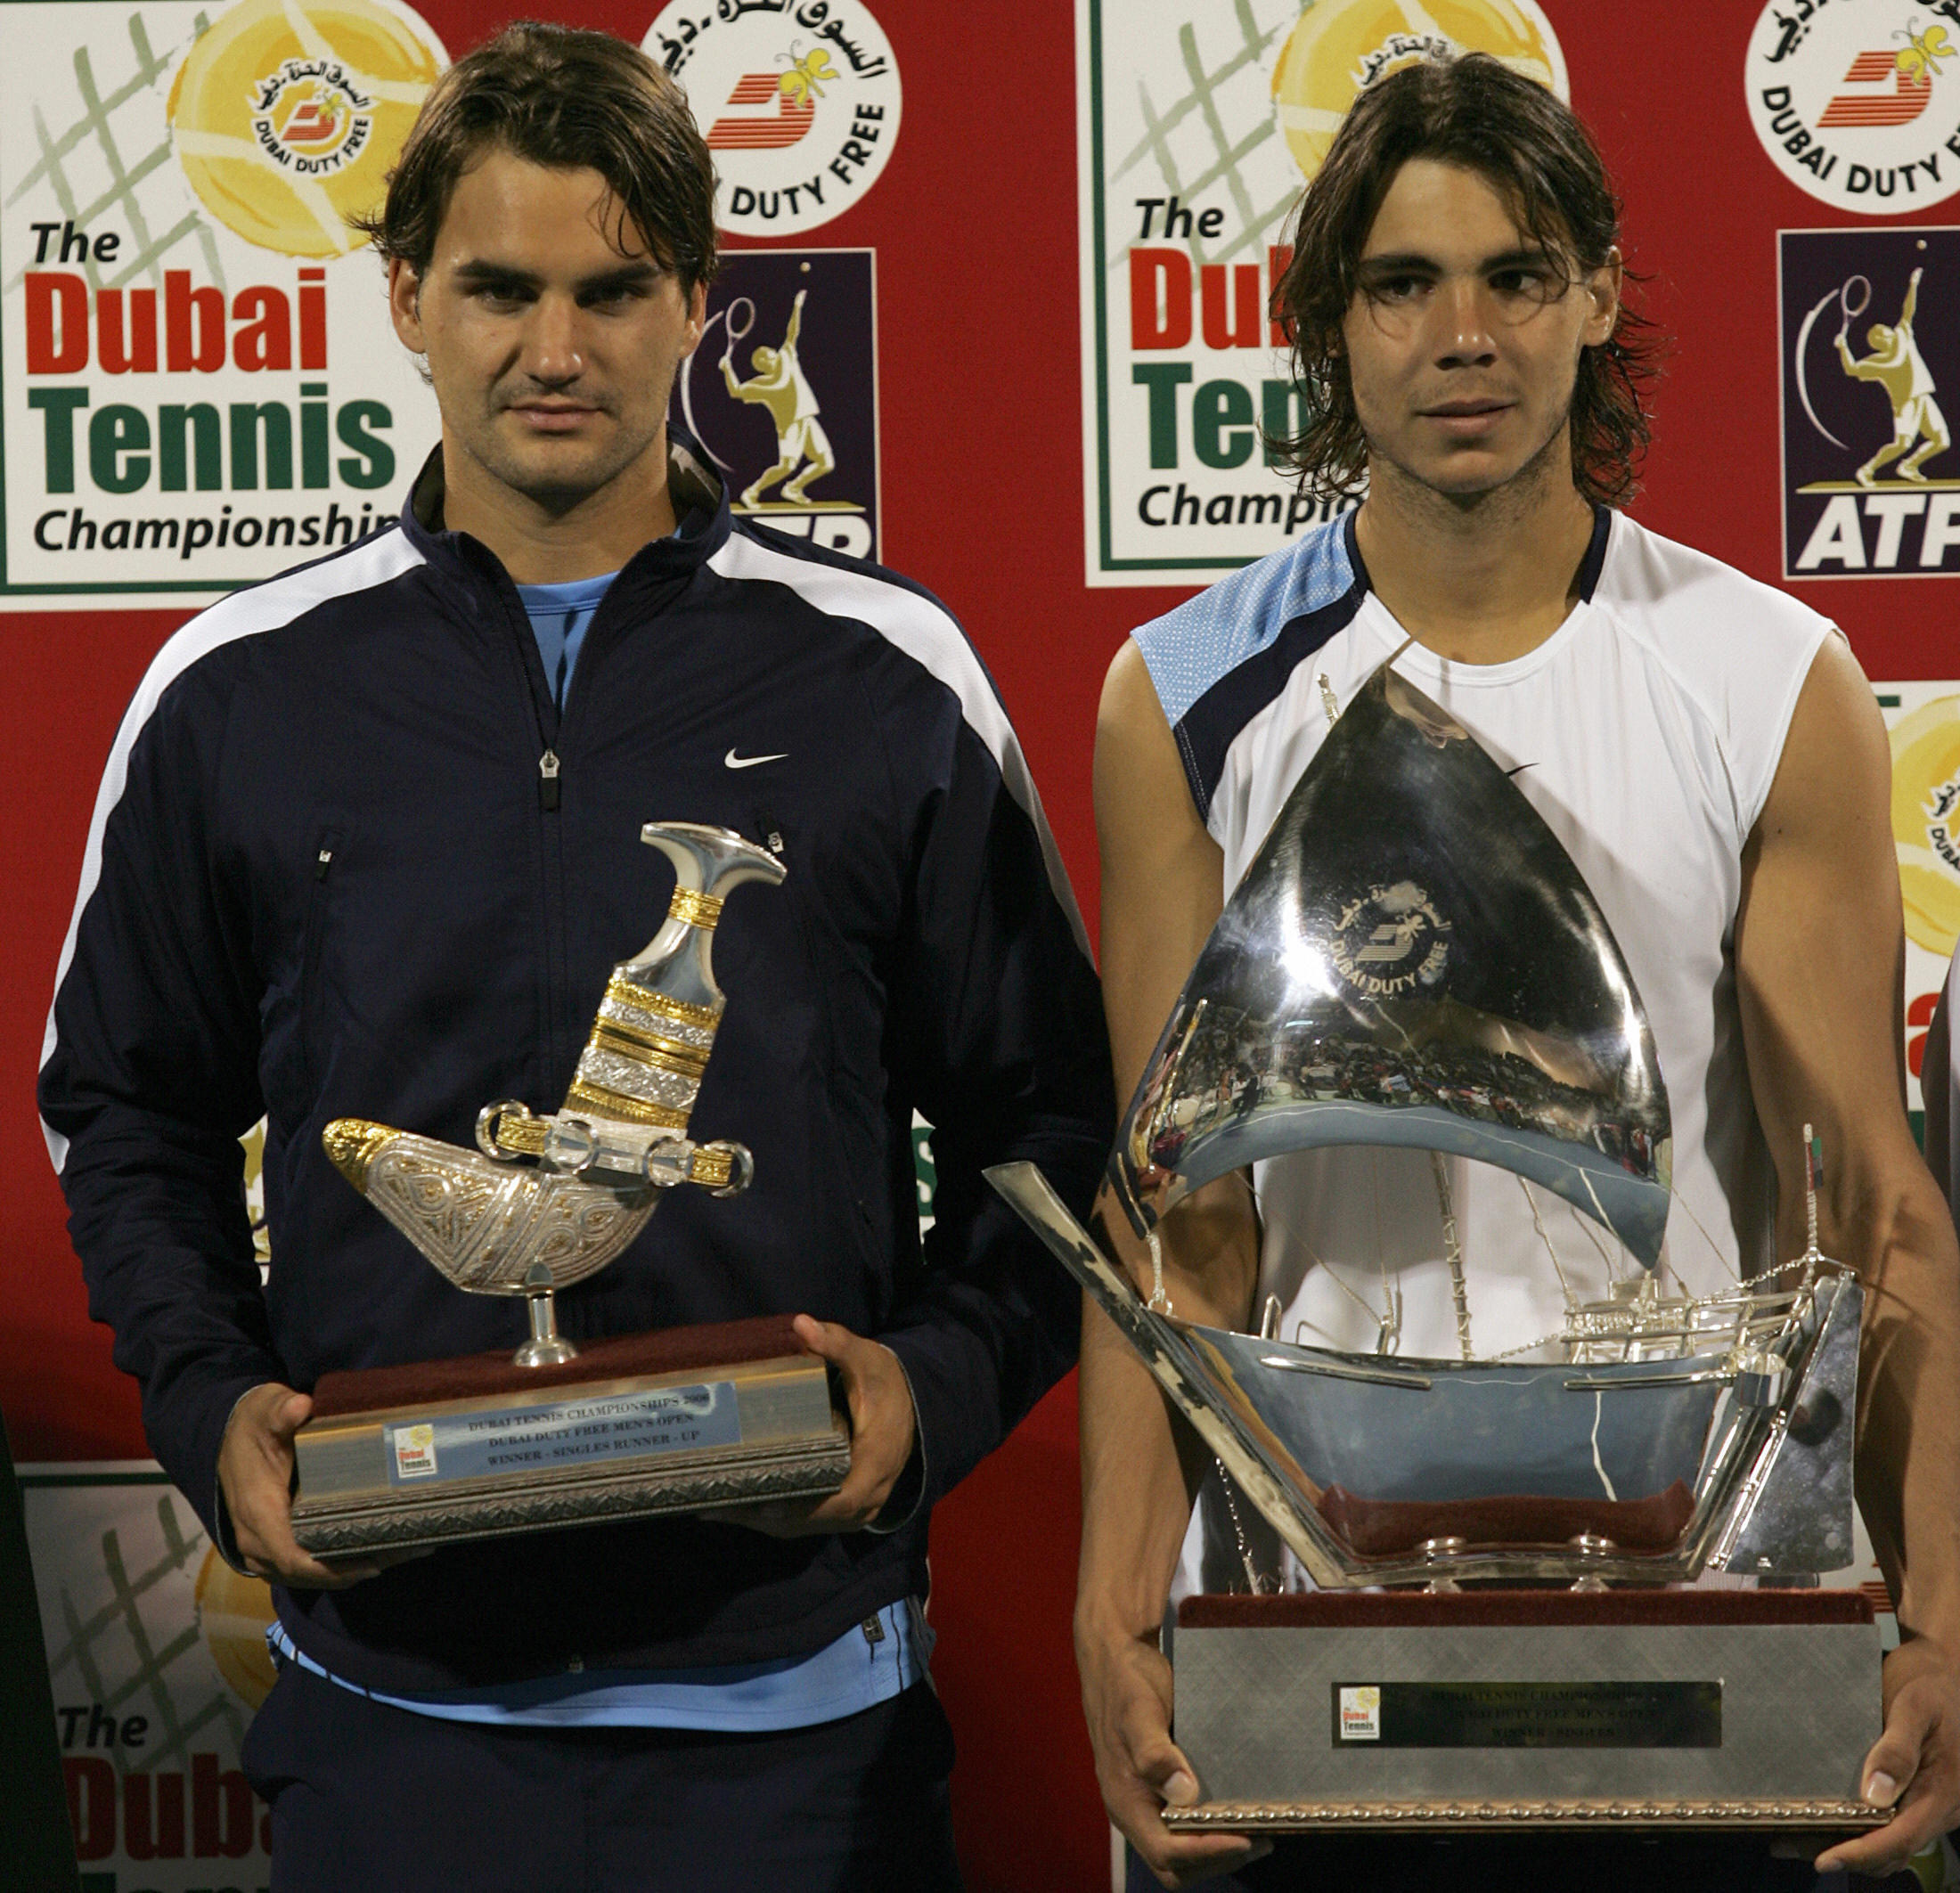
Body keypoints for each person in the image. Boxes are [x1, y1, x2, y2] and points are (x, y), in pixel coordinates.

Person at [37, 24, 1110, 1891]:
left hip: (799, 1724)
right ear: (403, 299)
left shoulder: (880, 680)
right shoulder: (239, 694)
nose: (555, 349)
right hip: (392, 1719)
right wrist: (210, 1406)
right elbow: (123, 1109)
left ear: (696, 298)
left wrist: (930, 1389)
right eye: (499, 289)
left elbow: (1050, 1128)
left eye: (613, 290)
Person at [1078, 53, 1960, 1892]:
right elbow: (1174, 1220)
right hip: (1313, 1640)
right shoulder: (1184, 695)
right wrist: (1111, 1608)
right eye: (1400, 285)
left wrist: (1935, 1615)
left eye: (1514, 273)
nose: (1459, 334)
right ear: (1327, 322)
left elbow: (1868, 1213)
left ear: (1596, 295)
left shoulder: (1758, 675)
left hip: (1696, 1626)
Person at [722, 287, 837, 508]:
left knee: (826, 463)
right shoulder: (762, 384)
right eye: (766, 355)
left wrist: (797, 307)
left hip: (807, 418)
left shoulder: (787, 357)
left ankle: (793, 488)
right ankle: (751, 491)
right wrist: (727, 369)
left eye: (770, 352)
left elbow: (792, 332)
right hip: (789, 426)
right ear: (762, 365)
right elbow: (736, 391)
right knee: (787, 466)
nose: (772, 354)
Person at [1836, 265, 1950, 488]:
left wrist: (1913, 284)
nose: (1887, 331)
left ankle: (1908, 466)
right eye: (1881, 332)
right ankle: (1867, 470)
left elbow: (1908, 309)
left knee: (1942, 441)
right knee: (1903, 443)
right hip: (1905, 404)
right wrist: (1843, 348)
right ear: (1878, 340)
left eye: (1885, 329)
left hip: (1923, 396)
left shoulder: (1903, 334)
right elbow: (1851, 369)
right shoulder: (1877, 363)